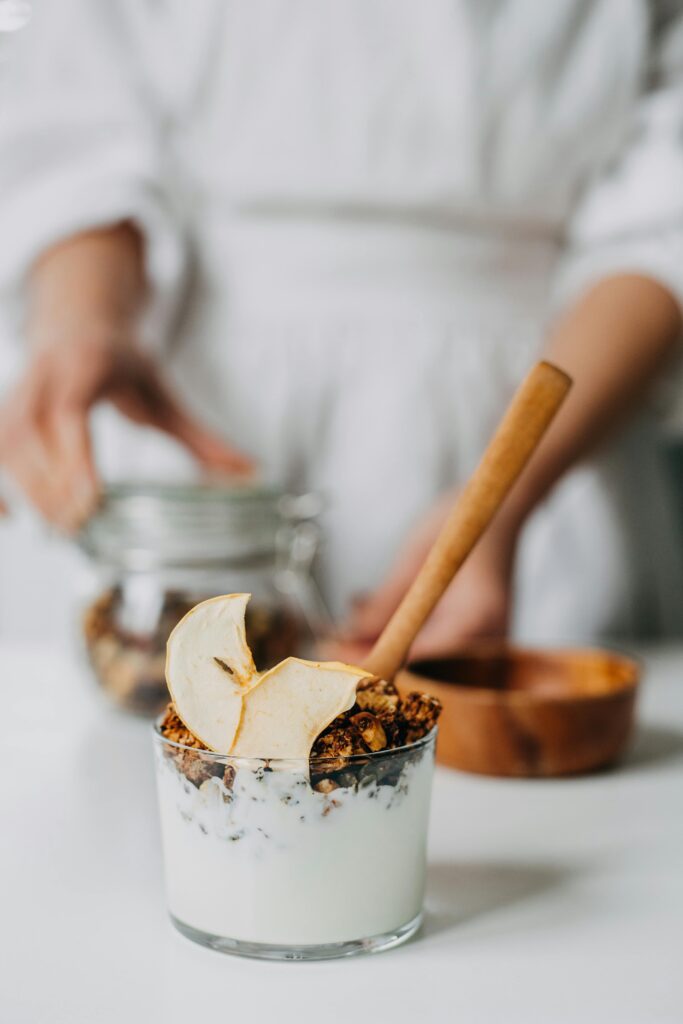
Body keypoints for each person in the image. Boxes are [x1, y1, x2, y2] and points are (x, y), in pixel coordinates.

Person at [0, 1, 682, 655]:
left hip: (554, 427)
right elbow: (74, 132)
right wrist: (82, 321)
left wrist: (501, 503)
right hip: (207, 418)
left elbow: (660, 225)